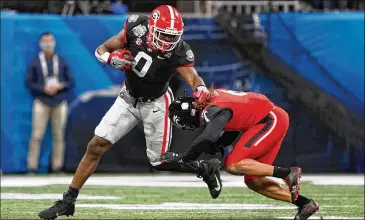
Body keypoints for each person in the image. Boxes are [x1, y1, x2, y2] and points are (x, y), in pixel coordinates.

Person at [39, 5, 221, 219]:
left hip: (156, 103)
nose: (168, 41)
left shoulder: (179, 50)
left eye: (173, 37)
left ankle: (205, 168)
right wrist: (110, 59)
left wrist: (199, 89)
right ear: (152, 28)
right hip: (128, 97)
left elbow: (192, 77)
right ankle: (68, 200)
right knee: (95, 146)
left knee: (160, 162)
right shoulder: (136, 27)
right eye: (163, 34)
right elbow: (102, 49)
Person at [162, 88, 320, 220]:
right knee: (254, 181)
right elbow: (235, 126)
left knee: (232, 164)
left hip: (270, 120)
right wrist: (218, 145)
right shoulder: (212, 102)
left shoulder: (212, 109)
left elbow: (207, 137)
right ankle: (305, 204)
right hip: (269, 120)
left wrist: (183, 158)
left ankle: (287, 173)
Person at [26, 32, 75, 174]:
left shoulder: (61, 61)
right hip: (41, 101)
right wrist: (43, 88)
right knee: (36, 135)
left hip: (59, 102)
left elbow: (71, 82)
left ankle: (57, 166)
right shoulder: (35, 62)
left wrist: (60, 86)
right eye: (45, 41)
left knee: (59, 135)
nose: (48, 44)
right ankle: (32, 167)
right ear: (40, 44)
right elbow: (29, 82)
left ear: (54, 42)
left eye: (50, 41)